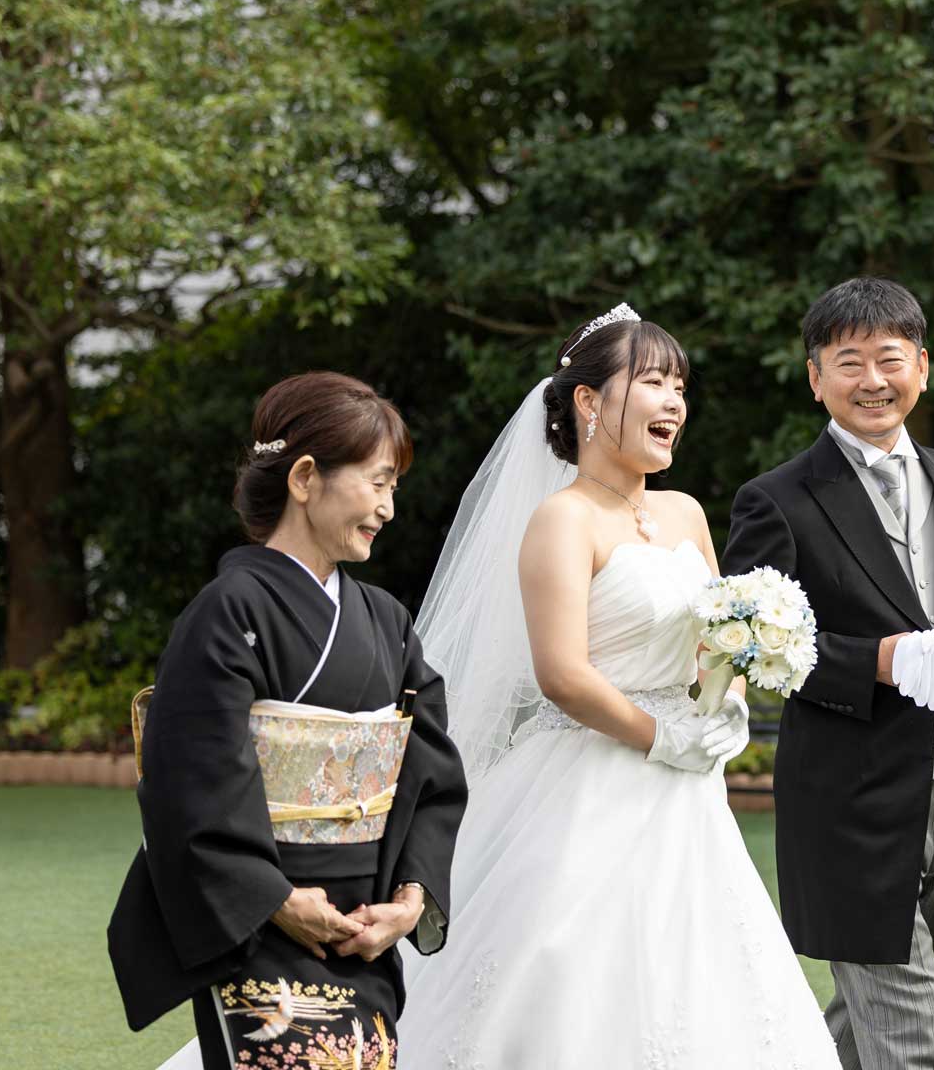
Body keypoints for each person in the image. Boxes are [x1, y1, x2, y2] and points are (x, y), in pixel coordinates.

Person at [396, 304, 839, 1068]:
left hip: (689, 794)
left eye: (680, 387)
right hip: (589, 778)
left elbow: (715, 635)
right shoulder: (562, 520)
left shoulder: (685, 513)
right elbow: (562, 673)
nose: (675, 403)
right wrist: (661, 735)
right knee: (568, 973)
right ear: (589, 401)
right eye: (654, 382)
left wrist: (729, 702)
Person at [721, 277, 934, 1070]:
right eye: (849, 363)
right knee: (906, 1017)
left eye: (890, 358)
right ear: (816, 379)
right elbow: (753, 645)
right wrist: (868, 663)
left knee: (865, 1010)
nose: (872, 380)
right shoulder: (776, 500)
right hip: (845, 796)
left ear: (923, 367)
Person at [109, 371, 468, 1070]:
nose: (389, 508)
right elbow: (192, 781)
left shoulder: (388, 621)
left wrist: (408, 900)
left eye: (394, 486)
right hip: (259, 924)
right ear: (305, 478)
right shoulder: (228, 611)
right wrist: (275, 899)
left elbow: (431, 773)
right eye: (378, 482)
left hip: (360, 927)